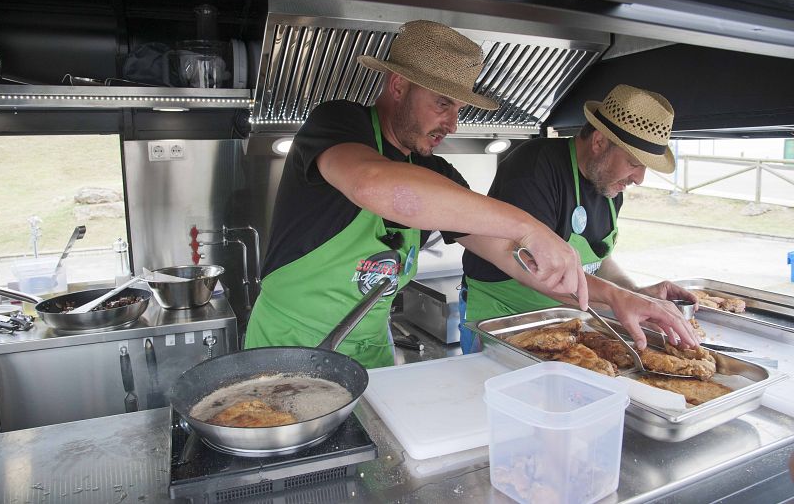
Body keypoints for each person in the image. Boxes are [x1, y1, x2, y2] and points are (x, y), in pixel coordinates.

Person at [243, 20, 588, 368]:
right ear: (398, 86)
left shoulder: (435, 174)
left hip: (371, 356)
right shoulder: (339, 123)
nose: (453, 124)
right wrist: (529, 227)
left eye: (459, 109)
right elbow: (372, 184)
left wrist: (599, 292)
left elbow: (505, 251)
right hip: (288, 346)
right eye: (443, 104)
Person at [460, 84, 700, 353]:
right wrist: (617, 297)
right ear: (599, 142)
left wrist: (635, 292)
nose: (640, 179)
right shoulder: (534, 167)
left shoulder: (609, 185)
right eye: (634, 163)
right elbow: (537, 269)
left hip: (564, 326)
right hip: (502, 322)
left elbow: (598, 261)